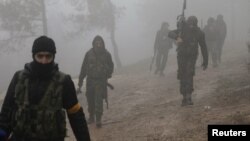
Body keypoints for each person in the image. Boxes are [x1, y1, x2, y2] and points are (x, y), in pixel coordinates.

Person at [0, 36, 91, 141]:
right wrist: (2, 132)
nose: (44, 61)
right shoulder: (19, 78)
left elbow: (76, 116)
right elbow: (7, 109)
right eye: (40, 56)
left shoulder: (64, 81)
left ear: (53, 57)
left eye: (48, 56)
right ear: (34, 56)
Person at [168, 16, 208, 106]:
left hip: (192, 56)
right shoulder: (182, 29)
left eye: (193, 23)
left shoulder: (199, 33)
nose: (191, 25)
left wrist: (206, 60)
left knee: (189, 74)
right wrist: (177, 37)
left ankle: (189, 96)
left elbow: (204, 47)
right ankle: (184, 96)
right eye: (190, 23)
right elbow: (170, 33)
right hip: (181, 55)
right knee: (182, 74)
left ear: (196, 23)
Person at [77, 35, 114, 128]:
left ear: (102, 43)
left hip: (100, 81)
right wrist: (80, 82)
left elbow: (111, 65)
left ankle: (98, 119)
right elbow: (83, 68)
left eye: (100, 42)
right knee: (90, 98)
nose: (98, 44)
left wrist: (108, 74)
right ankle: (91, 116)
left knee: (98, 99)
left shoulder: (106, 54)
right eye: (96, 42)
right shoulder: (88, 54)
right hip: (90, 80)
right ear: (93, 43)